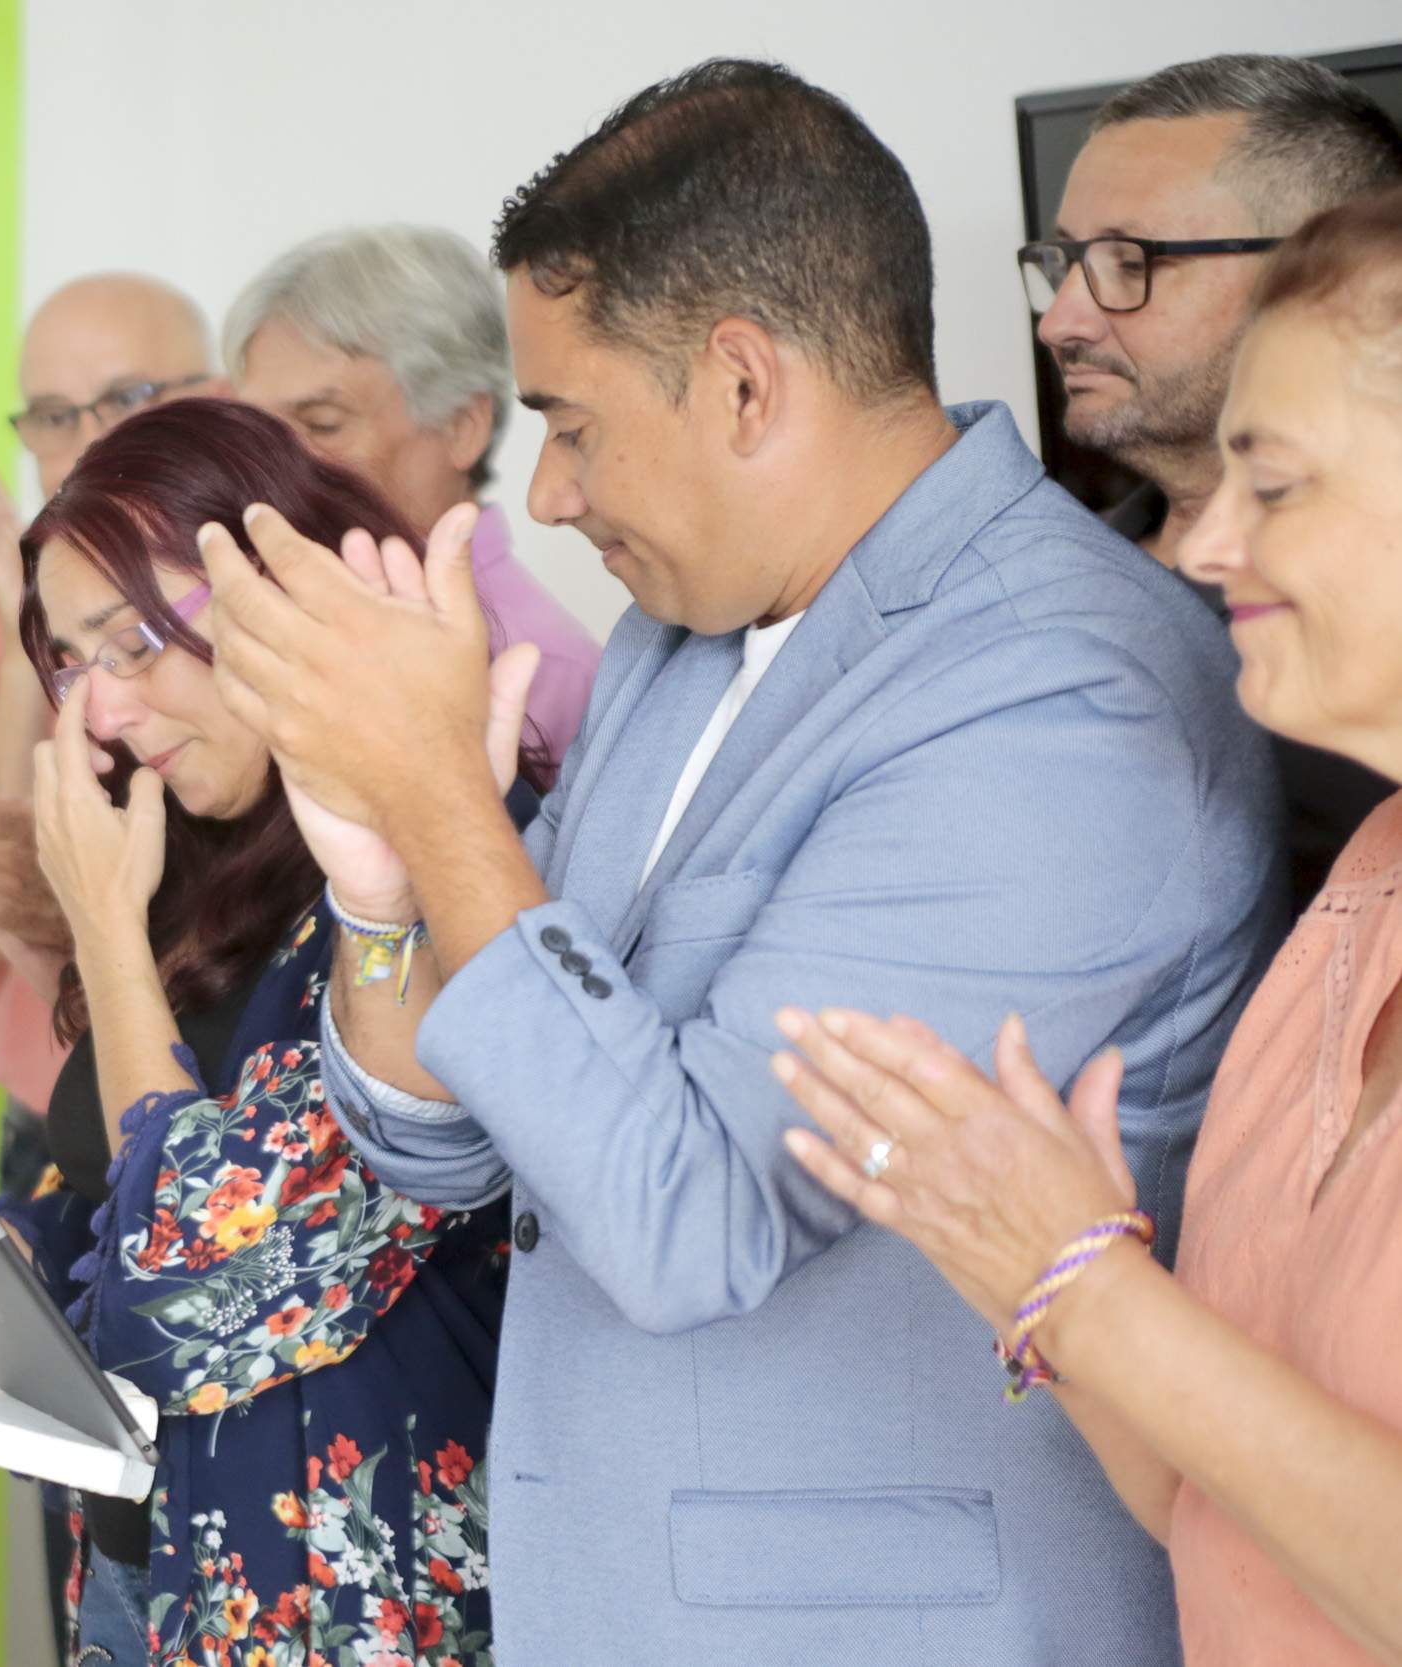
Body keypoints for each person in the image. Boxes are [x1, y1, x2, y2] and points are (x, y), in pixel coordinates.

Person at [200, 60, 1283, 1663]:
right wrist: (378, 892)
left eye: (570, 424)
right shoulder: (681, 636)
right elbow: (464, 1150)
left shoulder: (1063, 694)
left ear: (743, 385)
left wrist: (444, 805)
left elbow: (683, 1214)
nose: (549, 494)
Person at [0, 398, 535, 1666]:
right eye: (71, 659)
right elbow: (113, 1204)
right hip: (152, 1577)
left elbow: (188, 1279)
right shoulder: (199, 842)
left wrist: (101, 925)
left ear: (279, 588)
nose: (103, 710)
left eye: (140, 638)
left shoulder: (440, 848)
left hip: (354, 1609)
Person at [773, 182, 1402, 1667]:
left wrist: (1095, 1287)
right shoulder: (1357, 892)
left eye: (1280, 485)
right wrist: (1032, 1270)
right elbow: (1217, 1505)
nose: (1204, 547)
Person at [0, 274, 221, 1655]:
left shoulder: (255, 638)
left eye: (128, 400)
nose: (84, 435)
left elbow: (217, 1269)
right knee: (94, 1554)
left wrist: (92, 915)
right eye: (54, 411)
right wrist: (20, 617)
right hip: (63, 1135)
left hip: (232, 1158)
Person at [1025, 53, 1402, 899]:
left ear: (1319, 269)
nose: (1059, 321)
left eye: (1128, 262)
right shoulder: (1037, 589)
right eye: (1064, 261)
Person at [225, 223, 602, 756]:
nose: (273, 461)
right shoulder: (251, 616)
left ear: (461, 426)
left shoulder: (541, 672)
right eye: (258, 430)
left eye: (324, 423)